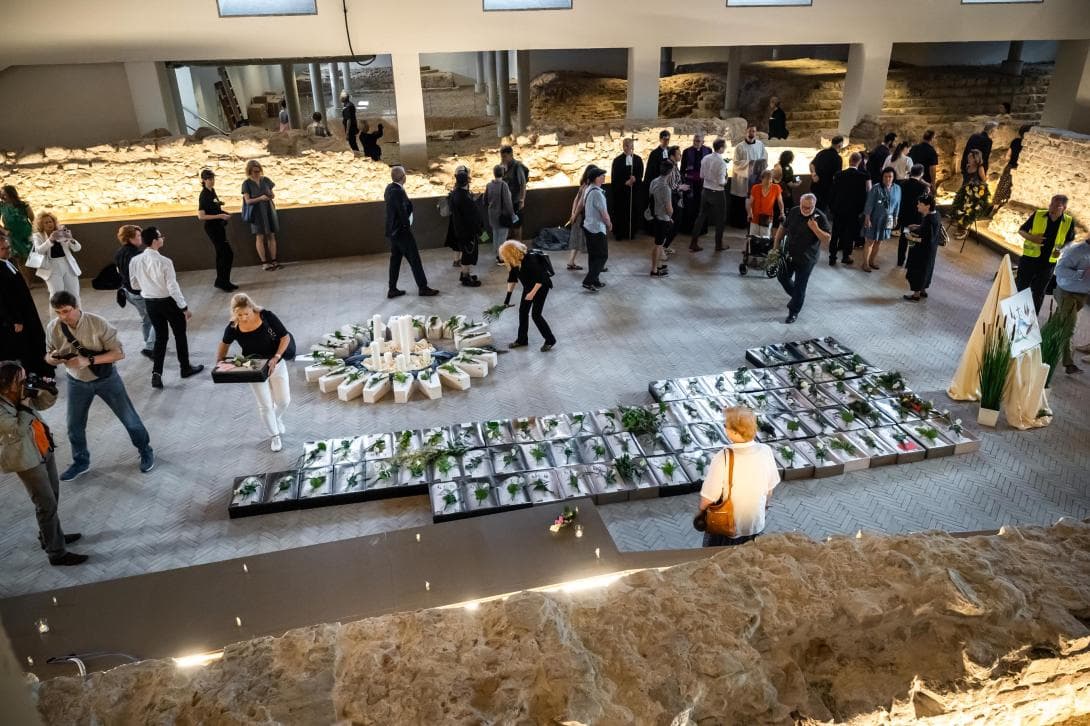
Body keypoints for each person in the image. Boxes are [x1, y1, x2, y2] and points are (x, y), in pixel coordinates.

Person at [44, 291, 154, 481]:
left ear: (77, 307)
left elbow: (119, 353)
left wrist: (89, 360)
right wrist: (53, 359)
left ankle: (145, 450)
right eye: (58, 312)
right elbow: (48, 355)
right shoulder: (53, 327)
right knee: (74, 426)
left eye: (66, 311)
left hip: (106, 379)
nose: (63, 316)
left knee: (129, 419)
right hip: (76, 381)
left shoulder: (98, 323)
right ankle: (81, 462)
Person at [0, 361, 87, 566]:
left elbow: (44, 404)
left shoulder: (22, 393)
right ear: (8, 384)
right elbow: (16, 431)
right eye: (20, 378)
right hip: (27, 461)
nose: (25, 380)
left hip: (44, 448)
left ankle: (49, 536)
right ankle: (56, 553)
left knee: (53, 497)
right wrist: (23, 404)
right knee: (45, 504)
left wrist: (49, 389)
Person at [216, 293, 294, 451]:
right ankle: (274, 436)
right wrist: (220, 361)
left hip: (275, 363)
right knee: (265, 405)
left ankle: (276, 418)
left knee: (283, 401)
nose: (243, 318)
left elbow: (285, 337)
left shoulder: (267, 316)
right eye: (239, 315)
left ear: (252, 308)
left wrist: (276, 357)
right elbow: (224, 344)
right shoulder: (233, 327)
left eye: (246, 313)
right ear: (234, 313)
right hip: (253, 366)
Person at [129, 227, 204, 388]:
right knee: (179, 335)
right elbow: (172, 287)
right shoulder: (165, 261)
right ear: (155, 241)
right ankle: (185, 367)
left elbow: (134, 284)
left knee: (161, 338)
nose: (163, 238)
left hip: (150, 302)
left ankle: (157, 374)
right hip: (168, 302)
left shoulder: (135, 261)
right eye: (160, 236)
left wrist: (148, 286)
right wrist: (184, 307)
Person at [697, 405, 779, 547]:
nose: (725, 428)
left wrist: (702, 515)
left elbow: (707, 499)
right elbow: (769, 490)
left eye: (725, 425)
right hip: (755, 524)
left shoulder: (724, 457)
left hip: (728, 526)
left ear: (734, 432)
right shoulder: (766, 450)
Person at [0, 237, 52, 378]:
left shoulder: (8, 262)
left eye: (8, 248)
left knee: (34, 338)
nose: (7, 251)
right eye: (3, 249)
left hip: (25, 310)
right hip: (16, 316)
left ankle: (42, 368)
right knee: (24, 345)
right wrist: (14, 320)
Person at [774, 193, 830, 324]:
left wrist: (815, 229)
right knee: (782, 276)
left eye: (809, 208)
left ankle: (793, 312)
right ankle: (798, 297)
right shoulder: (794, 212)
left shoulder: (820, 217)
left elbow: (827, 239)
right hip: (789, 254)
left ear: (814, 206)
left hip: (807, 259)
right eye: (803, 207)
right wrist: (776, 245)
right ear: (800, 204)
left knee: (800, 285)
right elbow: (783, 228)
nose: (806, 210)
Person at [384, 166, 439, 299]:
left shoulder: (389, 188)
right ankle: (423, 287)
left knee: (395, 260)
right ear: (403, 177)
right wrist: (406, 225)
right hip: (402, 232)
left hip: (393, 232)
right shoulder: (397, 192)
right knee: (415, 259)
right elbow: (401, 210)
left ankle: (392, 289)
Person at [1017, 195, 1075, 314]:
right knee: (1021, 287)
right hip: (1029, 259)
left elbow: (1070, 241)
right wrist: (1032, 238)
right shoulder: (1038, 214)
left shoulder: (1069, 221)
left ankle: (1033, 320)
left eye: (1056, 205)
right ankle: (1015, 313)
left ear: (1063, 208)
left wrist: (1061, 249)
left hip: (1048, 263)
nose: (1052, 207)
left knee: (1039, 292)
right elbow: (1021, 230)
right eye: (1051, 204)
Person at [500, 240, 556, 352]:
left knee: (536, 315)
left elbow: (540, 279)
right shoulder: (514, 262)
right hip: (529, 286)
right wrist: (507, 299)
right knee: (523, 311)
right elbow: (512, 279)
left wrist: (531, 293)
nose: (504, 258)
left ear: (512, 253)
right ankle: (522, 340)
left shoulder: (530, 260)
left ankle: (550, 340)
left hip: (541, 287)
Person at [1052, 236, 1090, 374]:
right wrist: (1082, 274)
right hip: (1067, 293)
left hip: (1082, 295)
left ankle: (1038, 342)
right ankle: (1068, 364)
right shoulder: (1075, 250)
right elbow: (1059, 270)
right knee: (1069, 326)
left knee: (1057, 323)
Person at [196, 169, 237, 291]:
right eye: (209, 179)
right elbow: (201, 216)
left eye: (213, 179)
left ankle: (224, 281)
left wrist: (223, 213)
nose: (212, 181)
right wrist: (220, 216)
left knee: (223, 255)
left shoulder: (212, 191)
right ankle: (222, 282)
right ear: (203, 180)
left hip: (219, 227)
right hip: (212, 228)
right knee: (226, 254)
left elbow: (214, 208)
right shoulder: (204, 195)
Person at [30, 212, 82, 303]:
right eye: (46, 223)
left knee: (75, 294)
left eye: (50, 221)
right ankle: (56, 317)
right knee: (56, 296)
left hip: (67, 264)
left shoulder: (61, 232)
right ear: (41, 225)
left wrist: (70, 239)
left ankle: (77, 315)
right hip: (51, 267)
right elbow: (38, 251)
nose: (49, 224)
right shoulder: (38, 236)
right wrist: (50, 239)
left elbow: (77, 248)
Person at [828, 152, 869, 266]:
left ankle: (832, 257)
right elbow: (863, 196)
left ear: (849, 160)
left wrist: (832, 207)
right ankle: (846, 256)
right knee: (849, 234)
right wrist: (861, 210)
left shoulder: (839, 174)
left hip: (839, 209)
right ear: (859, 161)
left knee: (835, 234)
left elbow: (833, 192)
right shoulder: (862, 177)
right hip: (853, 211)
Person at [446, 168, 484, 288]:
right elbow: (471, 217)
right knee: (468, 254)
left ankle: (464, 274)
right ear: (467, 182)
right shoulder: (464, 198)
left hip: (459, 230)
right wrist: (479, 230)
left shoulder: (454, 194)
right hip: (467, 232)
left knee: (466, 252)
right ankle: (466, 277)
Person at [241, 160, 281, 271]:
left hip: (268, 210)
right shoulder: (246, 183)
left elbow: (272, 194)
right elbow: (248, 201)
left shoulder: (266, 180)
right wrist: (260, 198)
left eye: (259, 171)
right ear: (250, 171)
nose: (257, 173)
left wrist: (270, 196)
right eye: (255, 171)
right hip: (256, 212)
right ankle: (264, 262)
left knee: (271, 235)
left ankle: (274, 261)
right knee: (260, 237)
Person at [690, 138, 728, 252]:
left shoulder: (705, 158)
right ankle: (718, 244)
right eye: (724, 146)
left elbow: (701, 175)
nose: (725, 148)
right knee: (720, 219)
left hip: (706, 191)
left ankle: (693, 242)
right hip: (718, 193)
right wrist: (725, 180)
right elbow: (721, 181)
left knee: (701, 216)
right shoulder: (721, 162)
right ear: (721, 148)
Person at [903, 194, 942, 303]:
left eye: (920, 204)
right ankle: (923, 290)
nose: (917, 206)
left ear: (928, 206)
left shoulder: (929, 220)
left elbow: (925, 240)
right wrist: (917, 226)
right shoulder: (936, 215)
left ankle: (916, 295)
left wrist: (910, 237)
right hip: (931, 252)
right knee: (927, 270)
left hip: (921, 252)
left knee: (917, 271)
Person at [862, 167, 902, 273]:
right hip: (874, 218)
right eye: (886, 176)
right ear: (882, 177)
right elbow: (869, 203)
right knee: (870, 240)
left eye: (890, 176)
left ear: (893, 178)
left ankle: (872, 261)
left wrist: (896, 217)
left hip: (887, 219)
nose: (888, 179)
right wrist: (867, 217)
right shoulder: (876, 188)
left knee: (879, 241)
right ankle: (865, 263)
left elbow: (897, 204)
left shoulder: (897, 189)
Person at [581, 166, 611, 292]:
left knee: (593, 256)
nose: (604, 177)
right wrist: (609, 224)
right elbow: (604, 213)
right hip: (597, 229)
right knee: (602, 256)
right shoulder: (597, 193)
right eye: (601, 175)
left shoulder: (588, 189)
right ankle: (588, 281)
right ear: (596, 178)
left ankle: (595, 280)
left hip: (588, 226)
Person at [730, 124, 767, 229]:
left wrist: (760, 170)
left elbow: (764, 159)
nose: (751, 134)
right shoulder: (739, 147)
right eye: (750, 131)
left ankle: (754, 222)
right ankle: (741, 224)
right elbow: (736, 163)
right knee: (741, 203)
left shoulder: (760, 145)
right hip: (743, 180)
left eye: (753, 131)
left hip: (756, 178)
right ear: (745, 132)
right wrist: (749, 164)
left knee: (755, 200)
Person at [950, 149, 990, 241]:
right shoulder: (968, 166)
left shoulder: (980, 168)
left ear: (976, 158)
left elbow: (984, 181)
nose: (968, 159)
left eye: (970, 157)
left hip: (974, 193)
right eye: (968, 157)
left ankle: (964, 231)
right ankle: (960, 229)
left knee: (968, 212)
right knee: (961, 209)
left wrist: (979, 191)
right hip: (965, 191)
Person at [609, 138, 644, 241]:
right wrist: (625, 182)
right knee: (621, 212)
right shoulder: (617, 160)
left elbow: (640, 173)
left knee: (632, 212)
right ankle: (619, 233)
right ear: (623, 146)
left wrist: (635, 178)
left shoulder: (638, 159)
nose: (628, 148)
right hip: (621, 193)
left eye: (630, 146)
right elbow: (615, 177)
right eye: (626, 146)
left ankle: (631, 232)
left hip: (633, 192)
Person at [895, 164, 931, 268]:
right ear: (922, 174)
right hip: (916, 217)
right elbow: (924, 203)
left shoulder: (902, 184)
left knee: (903, 237)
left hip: (904, 215)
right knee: (912, 239)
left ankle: (900, 261)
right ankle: (909, 262)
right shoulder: (923, 187)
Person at [992, 124, 1032, 211]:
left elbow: (1008, 156)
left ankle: (994, 207)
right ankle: (1003, 208)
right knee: (1010, 189)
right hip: (1019, 170)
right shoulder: (1028, 145)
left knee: (1002, 187)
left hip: (1010, 166)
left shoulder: (1015, 141)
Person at [679, 134, 711, 234]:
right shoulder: (686, 151)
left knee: (702, 206)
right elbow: (682, 169)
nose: (696, 143)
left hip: (703, 184)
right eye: (695, 141)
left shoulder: (708, 151)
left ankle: (701, 230)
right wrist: (683, 181)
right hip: (690, 183)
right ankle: (688, 229)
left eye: (698, 141)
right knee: (690, 206)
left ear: (703, 142)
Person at [648, 162, 675, 277]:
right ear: (670, 172)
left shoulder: (654, 181)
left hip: (654, 216)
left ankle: (658, 265)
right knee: (658, 245)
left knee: (658, 243)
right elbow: (669, 208)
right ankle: (654, 270)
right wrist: (670, 216)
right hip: (662, 218)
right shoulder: (666, 188)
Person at [565, 166, 593, 271]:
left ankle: (571, 262)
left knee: (576, 239)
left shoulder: (583, 185)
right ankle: (596, 265)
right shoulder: (587, 187)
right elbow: (580, 202)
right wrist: (575, 215)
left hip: (578, 216)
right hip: (583, 216)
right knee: (591, 241)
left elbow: (575, 200)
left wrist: (573, 214)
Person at [0, 185, 34, 268]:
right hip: (12, 236)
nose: (3, 196)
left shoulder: (24, 205)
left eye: (5, 194)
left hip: (26, 235)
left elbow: (33, 220)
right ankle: (22, 278)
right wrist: (4, 231)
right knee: (17, 258)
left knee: (32, 257)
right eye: (2, 194)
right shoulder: (1, 206)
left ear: (11, 194)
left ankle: (36, 278)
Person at [500, 146, 529, 242]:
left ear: (511, 155)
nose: (503, 159)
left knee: (517, 225)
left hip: (516, 201)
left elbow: (523, 184)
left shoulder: (518, 166)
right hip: (507, 202)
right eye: (502, 156)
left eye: (504, 156)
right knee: (509, 226)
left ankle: (518, 247)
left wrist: (522, 200)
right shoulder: (503, 166)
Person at [809, 135, 844, 213]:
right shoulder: (838, 158)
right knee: (822, 212)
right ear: (840, 145)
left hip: (815, 186)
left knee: (812, 209)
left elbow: (811, 164)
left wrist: (814, 174)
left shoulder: (821, 153)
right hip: (827, 190)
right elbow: (837, 176)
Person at [746, 169, 784, 239]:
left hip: (767, 218)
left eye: (770, 180)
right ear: (761, 179)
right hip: (755, 217)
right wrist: (749, 213)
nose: (768, 183)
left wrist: (782, 212)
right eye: (766, 180)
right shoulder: (755, 188)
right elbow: (750, 203)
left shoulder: (776, 188)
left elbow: (780, 202)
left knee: (765, 238)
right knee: (753, 239)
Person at [485, 164, 515, 249]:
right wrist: (512, 214)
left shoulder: (489, 185)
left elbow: (485, 200)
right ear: (502, 173)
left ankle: (496, 253)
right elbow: (508, 202)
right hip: (502, 216)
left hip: (492, 215)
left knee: (495, 235)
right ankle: (500, 256)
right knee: (502, 237)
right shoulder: (504, 185)